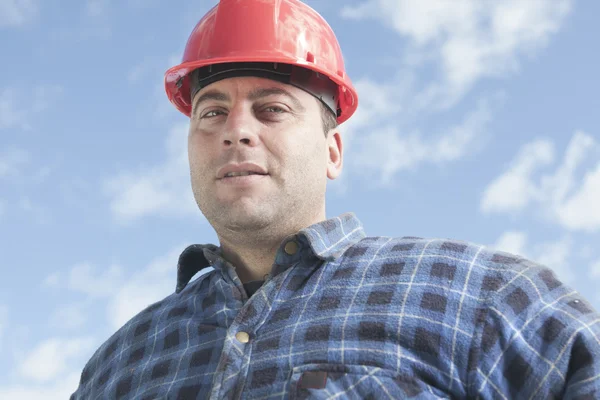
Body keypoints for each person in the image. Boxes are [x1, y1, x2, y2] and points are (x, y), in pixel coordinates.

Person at [71, 0, 600, 398]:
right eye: (210, 113)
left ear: (333, 151)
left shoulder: (483, 298)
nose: (236, 131)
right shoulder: (116, 366)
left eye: (272, 109)